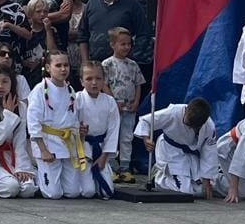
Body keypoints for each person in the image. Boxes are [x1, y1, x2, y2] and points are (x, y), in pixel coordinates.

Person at [27, 50, 87, 199]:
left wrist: (80, 133)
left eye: (66, 65)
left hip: (67, 144)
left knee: (73, 192)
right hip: (47, 143)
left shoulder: (70, 90)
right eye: (58, 65)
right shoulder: (39, 90)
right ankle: (35, 174)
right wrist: (43, 150)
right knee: (53, 194)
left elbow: (73, 119)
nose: (63, 69)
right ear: (48, 68)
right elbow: (33, 122)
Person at [136, 97, 216, 196]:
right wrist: (146, 139)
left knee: (199, 190)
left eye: (194, 127)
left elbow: (209, 153)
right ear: (186, 110)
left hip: (191, 154)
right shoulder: (173, 112)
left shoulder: (209, 127)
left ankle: (167, 175)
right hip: (171, 150)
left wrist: (207, 180)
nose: (190, 128)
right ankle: (158, 177)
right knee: (184, 191)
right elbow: (146, 120)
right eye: (188, 124)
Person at [0, 65, 36, 198]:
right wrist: (8, 115)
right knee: (11, 188)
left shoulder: (21, 106)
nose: (0, 86)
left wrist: (22, 167)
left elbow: (20, 140)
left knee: (28, 189)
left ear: (12, 83)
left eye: (5, 81)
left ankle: (15, 174)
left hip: (12, 157)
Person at [101, 28, 144, 184]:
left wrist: (136, 101)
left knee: (127, 137)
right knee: (112, 135)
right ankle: (111, 166)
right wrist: (113, 102)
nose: (126, 47)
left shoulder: (133, 65)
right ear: (113, 45)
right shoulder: (107, 64)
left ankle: (125, 167)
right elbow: (104, 84)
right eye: (122, 44)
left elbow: (138, 84)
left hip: (129, 108)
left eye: (128, 44)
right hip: (113, 108)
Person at [76, 62, 120, 199]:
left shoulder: (110, 101)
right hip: (82, 150)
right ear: (81, 81)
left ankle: (99, 176)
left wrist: (104, 156)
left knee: (107, 192)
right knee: (87, 192)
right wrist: (79, 132)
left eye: (98, 78)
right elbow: (69, 125)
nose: (94, 83)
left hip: (101, 149)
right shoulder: (77, 99)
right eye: (89, 79)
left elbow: (113, 131)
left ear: (104, 80)